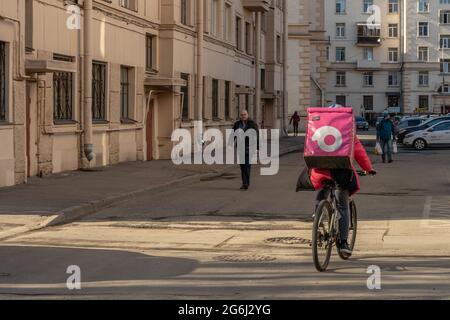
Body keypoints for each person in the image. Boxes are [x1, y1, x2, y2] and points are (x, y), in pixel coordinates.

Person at [310, 106, 376, 256]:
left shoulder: (318, 128)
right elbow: (358, 152)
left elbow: (311, 148)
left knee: (323, 186)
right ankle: (343, 243)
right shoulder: (347, 131)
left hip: (320, 170)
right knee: (343, 207)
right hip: (341, 172)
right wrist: (368, 168)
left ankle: (317, 215)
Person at [232, 110, 259, 190]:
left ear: (247, 115)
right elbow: (233, 135)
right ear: (240, 116)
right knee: (242, 166)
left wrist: (257, 147)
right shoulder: (237, 124)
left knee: (247, 166)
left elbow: (257, 136)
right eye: (242, 115)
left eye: (245, 114)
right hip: (240, 148)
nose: (243, 116)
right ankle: (244, 182)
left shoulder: (252, 123)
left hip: (249, 147)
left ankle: (246, 183)